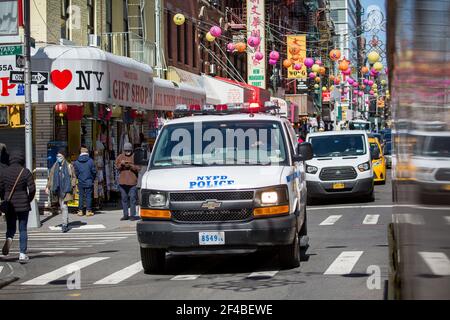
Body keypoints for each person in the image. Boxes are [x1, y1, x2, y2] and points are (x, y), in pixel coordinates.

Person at [0, 150, 36, 263]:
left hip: (9, 204)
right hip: (23, 205)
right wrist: (28, 199)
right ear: (21, 159)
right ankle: (22, 254)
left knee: (11, 226)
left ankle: (9, 238)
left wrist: (3, 199)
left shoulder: (4, 172)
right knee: (23, 229)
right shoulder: (25, 172)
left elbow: (0, 188)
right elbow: (32, 189)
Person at [46, 149, 76, 233]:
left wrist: (72, 185)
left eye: (59, 156)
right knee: (62, 207)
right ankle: (65, 220)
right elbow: (50, 177)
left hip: (66, 189)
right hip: (57, 189)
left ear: (63, 157)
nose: (58, 157)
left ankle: (64, 225)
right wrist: (47, 187)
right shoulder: (54, 166)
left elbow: (74, 177)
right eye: (57, 156)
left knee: (64, 206)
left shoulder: (69, 166)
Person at [115, 143, 140, 221]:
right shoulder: (120, 157)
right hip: (122, 182)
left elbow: (139, 168)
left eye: (129, 150)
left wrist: (130, 166)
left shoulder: (135, 156)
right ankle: (125, 215)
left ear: (131, 150)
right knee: (124, 199)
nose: (127, 152)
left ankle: (132, 215)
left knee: (132, 199)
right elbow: (116, 167)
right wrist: (121, 165)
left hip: (132, 182)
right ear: (124, 150)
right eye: (126, 150)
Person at [73, 147, 96, 217]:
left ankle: (80, 211)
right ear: (87, 153)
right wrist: (92, 178)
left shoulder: (76, 162)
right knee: (88, 196)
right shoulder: (91, 161)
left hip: (80, 181)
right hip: (89, 180)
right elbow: (94, 171)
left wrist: (79, 177)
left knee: (81, 196)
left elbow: (76, 172)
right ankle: (88, 211)